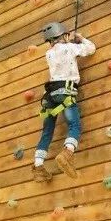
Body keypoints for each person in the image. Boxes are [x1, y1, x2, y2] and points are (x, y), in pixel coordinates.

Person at [32, 22, 95, 182]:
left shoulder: (49, 54)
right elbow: (91, 48)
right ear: (63, 35)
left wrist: (69, 42)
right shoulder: (70, 48)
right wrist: (80, 38)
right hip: (65, 92)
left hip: (49, 96)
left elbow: (61, 57)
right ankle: (67, 153)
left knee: (47, 131)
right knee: (74, 125)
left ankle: (38, 166)